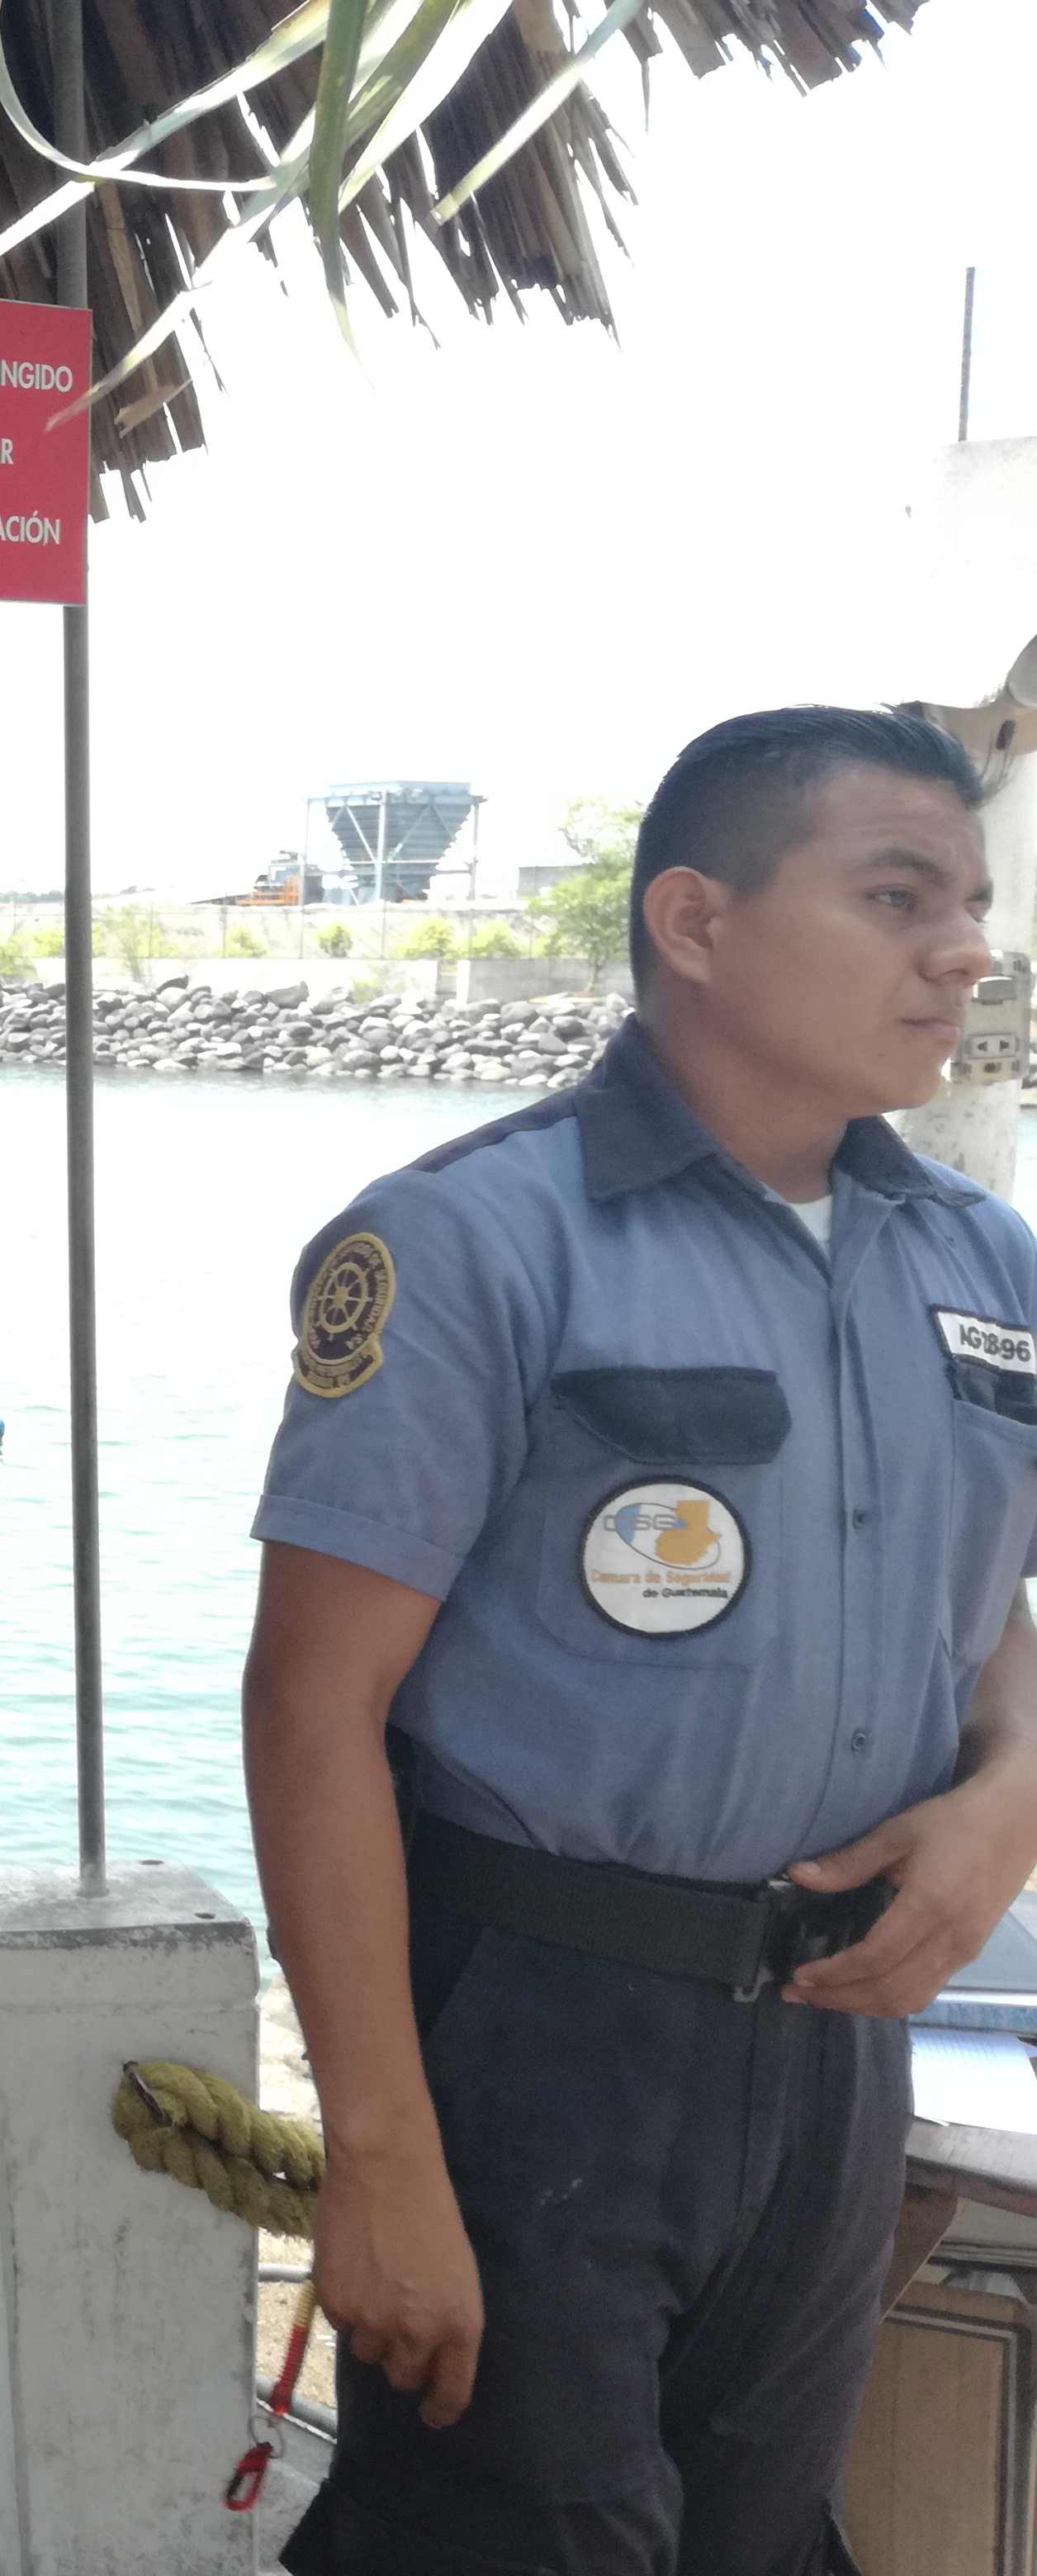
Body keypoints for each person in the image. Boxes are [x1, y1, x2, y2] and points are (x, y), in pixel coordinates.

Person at [248, 705, 1037, 2575]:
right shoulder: (470, 1243)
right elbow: (311, 1708)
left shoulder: (981, 1259)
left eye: (973, 906)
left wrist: (1011, 1801)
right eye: (898, 897)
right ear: (695, 921)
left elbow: (996, 1604)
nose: (963, 953)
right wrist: (380, 2156)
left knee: (758, 2541)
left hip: (836, 2040)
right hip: (539, 2034)